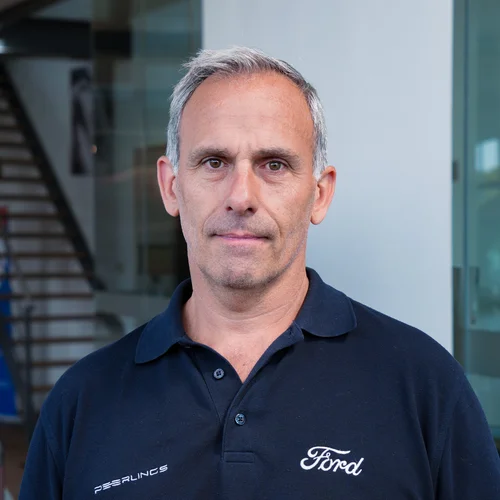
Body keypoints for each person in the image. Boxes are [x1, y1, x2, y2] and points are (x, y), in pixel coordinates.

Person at [20, 47, 500, 500]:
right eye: (214, 162)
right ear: (171, 187)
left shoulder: (423, 384)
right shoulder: (82, 401)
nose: (241, 196)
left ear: (319, 194)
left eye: (274, 164)